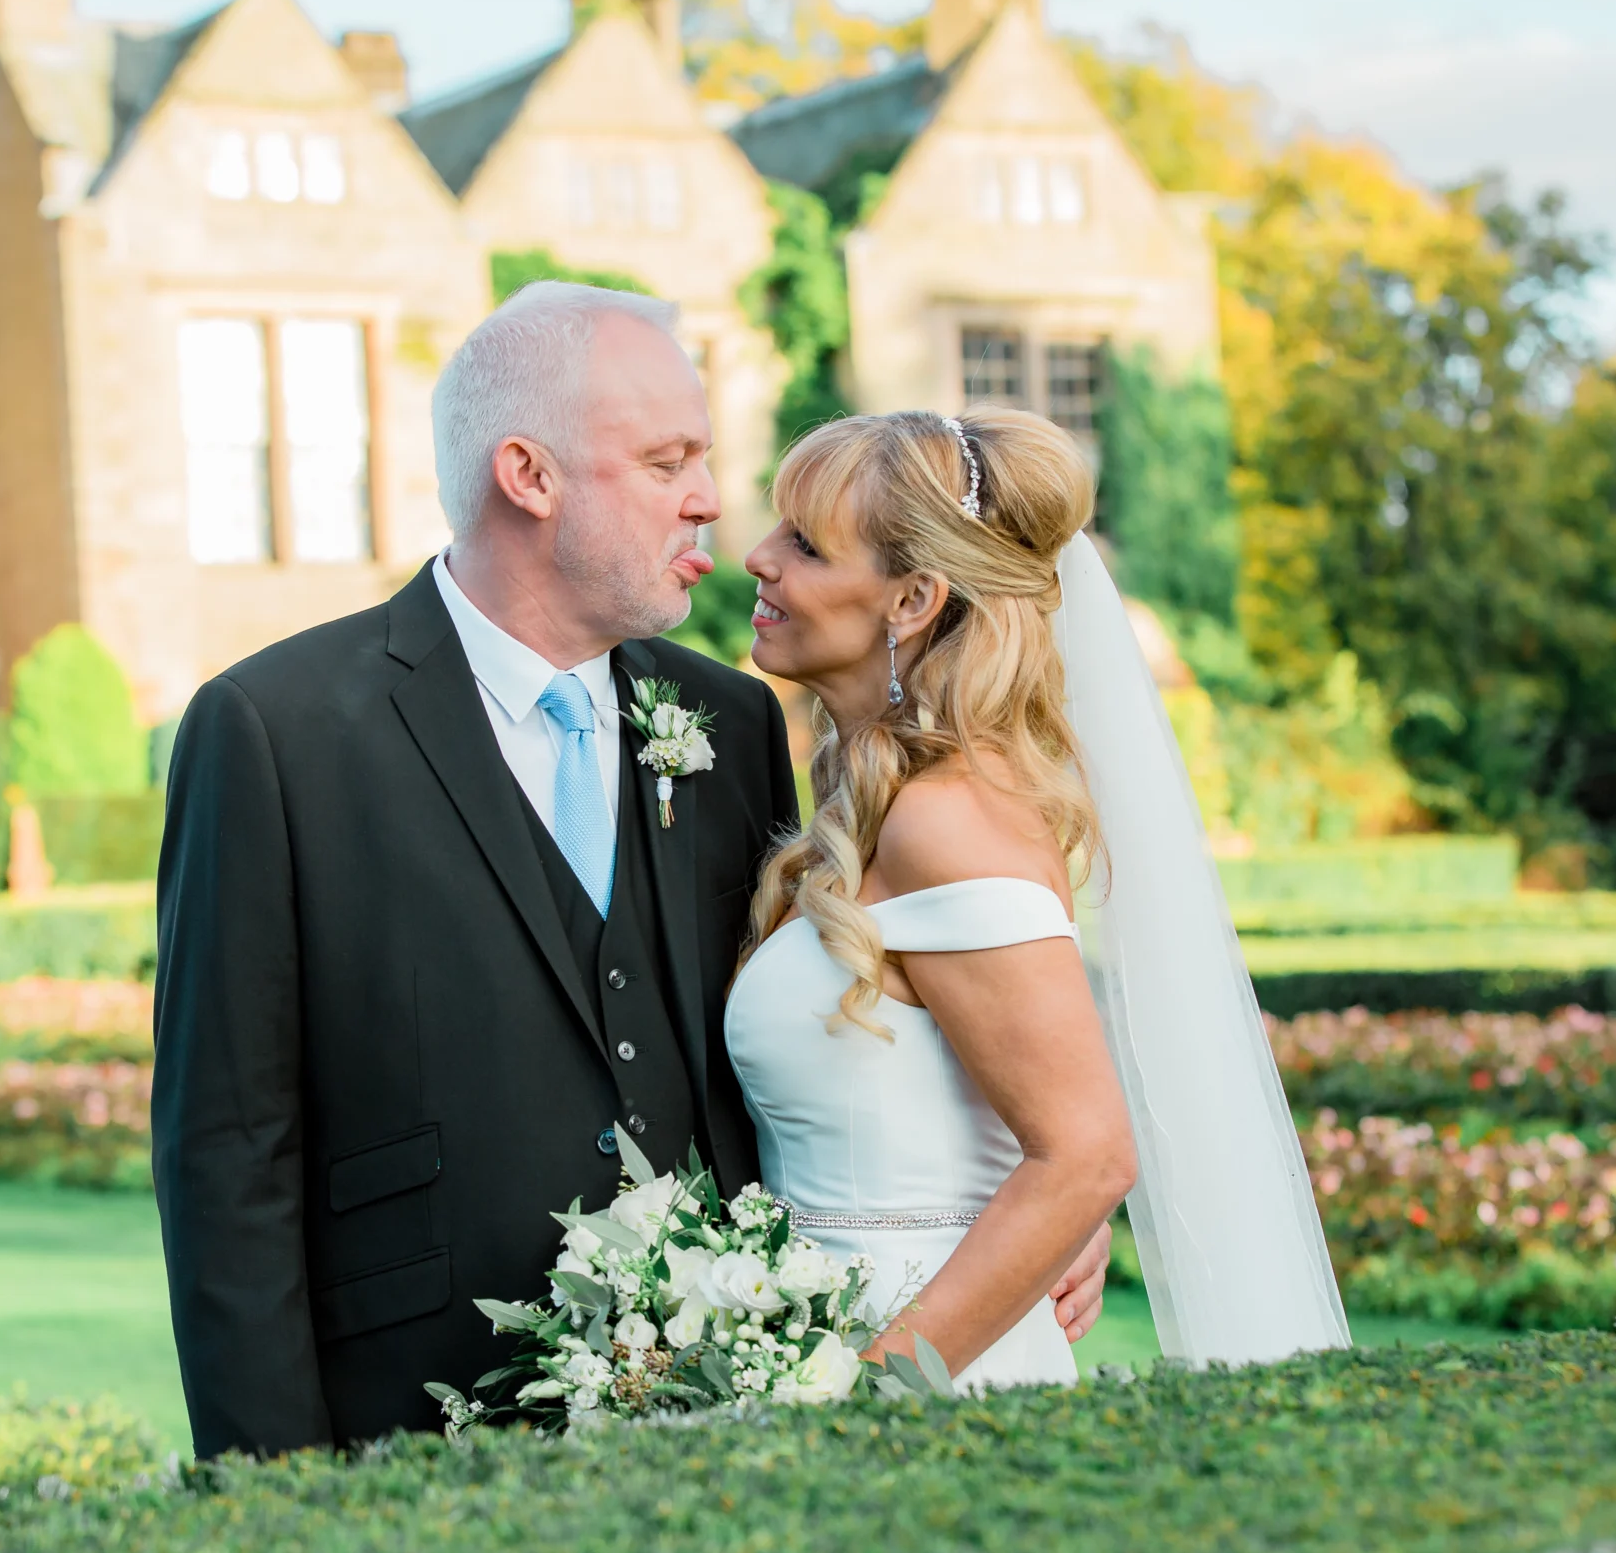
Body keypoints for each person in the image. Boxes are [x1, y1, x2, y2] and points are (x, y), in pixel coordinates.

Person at [151, 283, 1118, 1453]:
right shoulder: (273, 729)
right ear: (530, 476)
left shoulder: (729, 718)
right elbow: (228, 1152)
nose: (713, 506)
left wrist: (1046, 1193)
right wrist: (269, 1490)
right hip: (413, 1418)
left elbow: (892, 1031)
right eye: (668, 463)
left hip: (721, 1416)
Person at [729, 410, 1351, 1386]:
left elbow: (1086, 1156)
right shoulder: (883, 804)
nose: (757, 558)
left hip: (919, 1378)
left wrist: (869, 1396)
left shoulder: (945, 820)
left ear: (912, 600)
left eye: (804, 544)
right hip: (833, 1348)